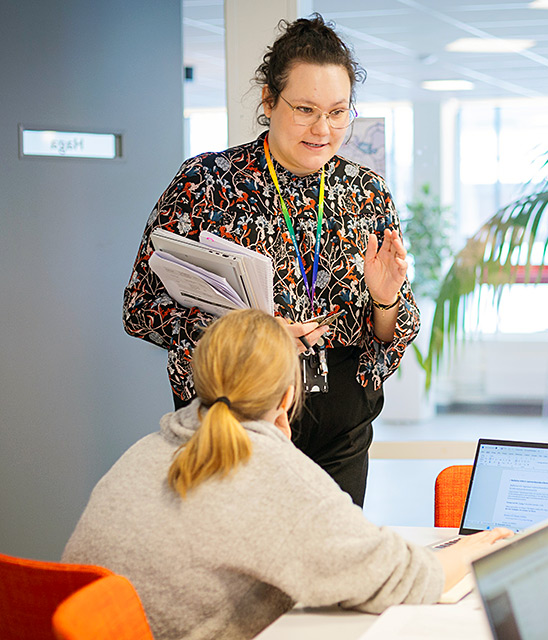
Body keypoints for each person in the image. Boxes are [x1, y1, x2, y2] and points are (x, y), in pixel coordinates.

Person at [63, 309, 510, 640]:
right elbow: (401, 580)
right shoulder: (271, 473)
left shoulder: (143, 452)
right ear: (289, 392)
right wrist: (474, 550)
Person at [122, 14, 412, 507]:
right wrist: (252, 333)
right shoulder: (206, 184)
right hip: (239, 416)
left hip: (340, 423)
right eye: (305, 109)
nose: (323, 129)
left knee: (330, 573)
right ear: (268, 101)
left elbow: (389, 332)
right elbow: (142, 309)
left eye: (338, 111)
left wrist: (386, 300)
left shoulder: (366, 190)